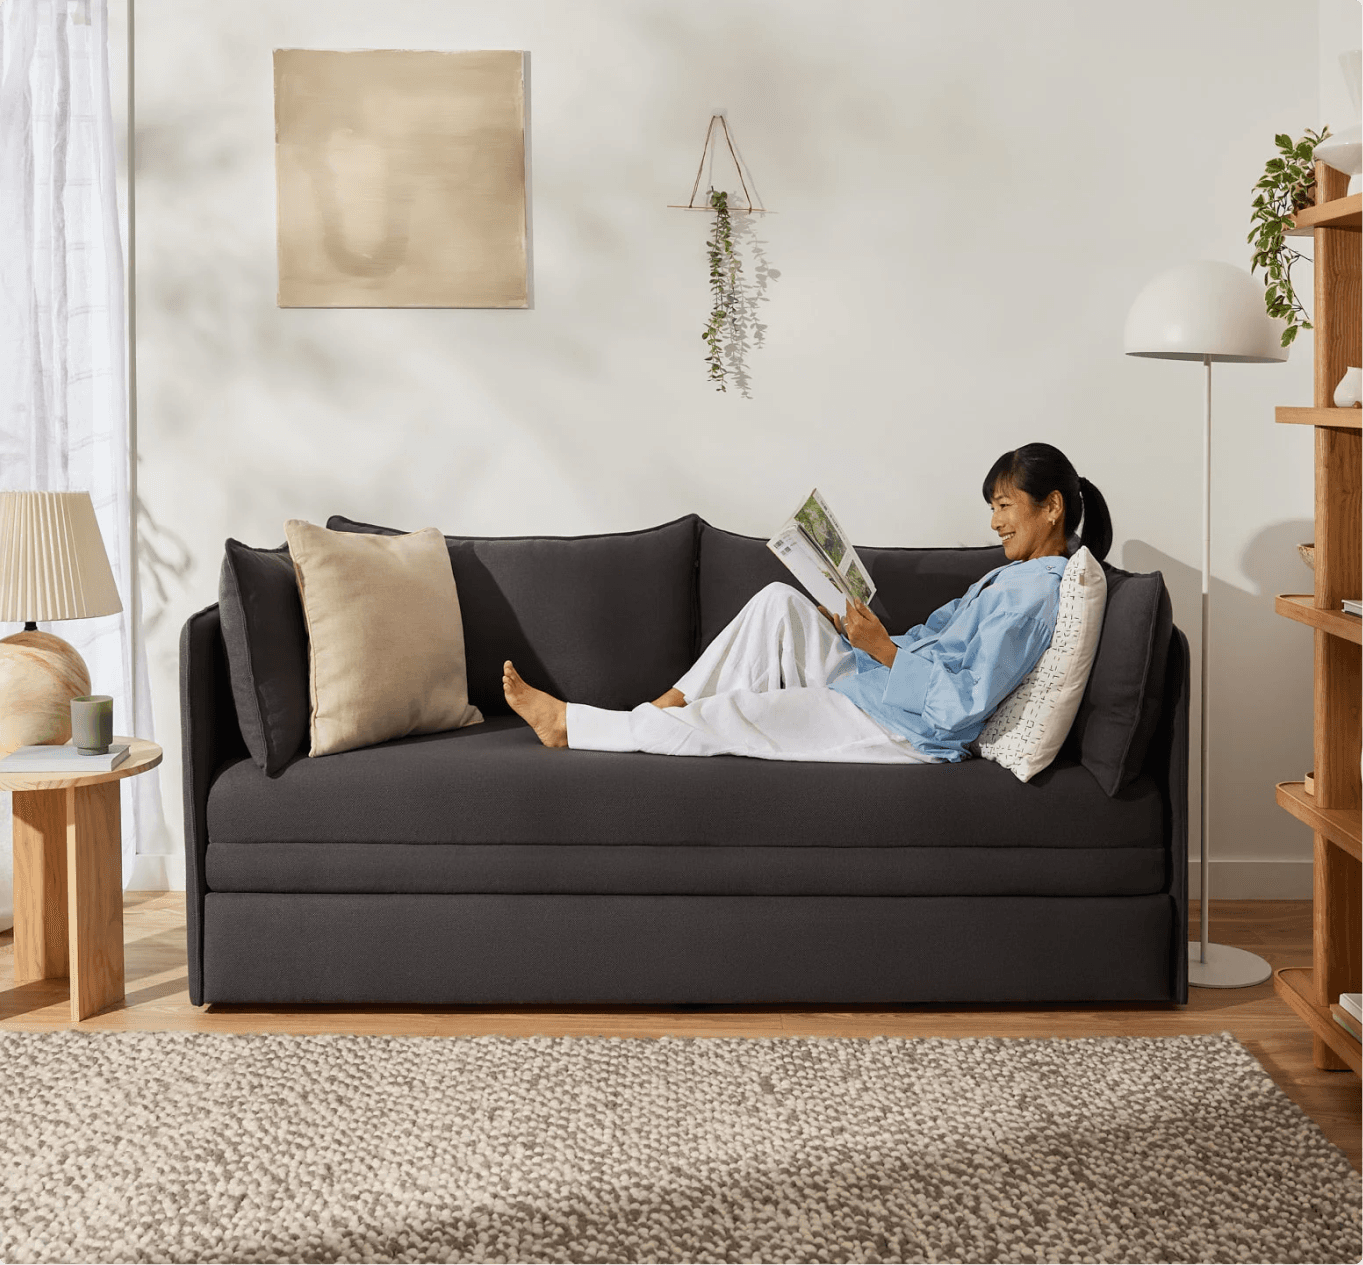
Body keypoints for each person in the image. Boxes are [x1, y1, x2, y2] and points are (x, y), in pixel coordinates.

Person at [503, 443, 1113, 764]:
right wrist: (861, 634)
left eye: (1005, 505)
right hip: (877, 684)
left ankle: (574, 726)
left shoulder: (1035, 593)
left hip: (902, 730)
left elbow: (960, 707)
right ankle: (660, 706)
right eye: (995, 505)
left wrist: (879, 648)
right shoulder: (1012, 578)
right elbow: (938, 649)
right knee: (779, 603)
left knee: (736, 714)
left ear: (1052, 506)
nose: (994, 520)